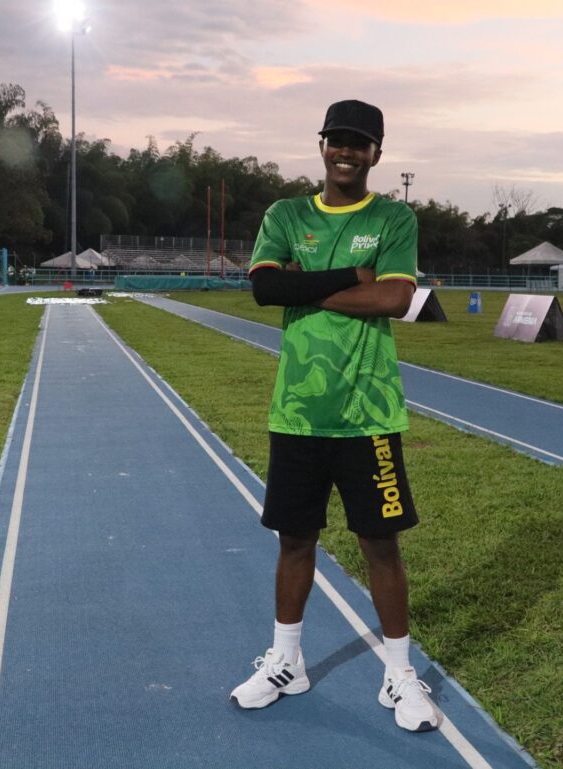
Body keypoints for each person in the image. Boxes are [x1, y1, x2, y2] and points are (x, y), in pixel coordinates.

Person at [230, 99, 439, 733]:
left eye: (359, 144)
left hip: (369, 412)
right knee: (295, 540)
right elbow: (265, 287)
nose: (346, 152)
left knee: (381, 543)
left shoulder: (393, 216)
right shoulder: (287, 213)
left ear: (377, 153)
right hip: (298, 411)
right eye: (336, 141)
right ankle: (286, 661)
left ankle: (399, 672)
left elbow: (398, 298)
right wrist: (352, 275)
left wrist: (308, 281)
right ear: (321, 144)